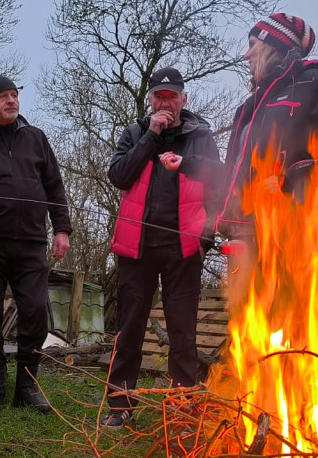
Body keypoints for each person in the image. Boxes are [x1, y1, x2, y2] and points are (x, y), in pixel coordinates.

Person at [103, 67, 223, 428]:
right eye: (159, 96)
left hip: (183, 250)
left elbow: (220, 180)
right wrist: (151, 137)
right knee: (129, 330)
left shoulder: (199, 136)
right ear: (150, 100)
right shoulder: (135, 133)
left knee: (183, 333)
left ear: (184, 100)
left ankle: (181, 405)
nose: (165, 101)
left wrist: (206, 238)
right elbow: (119, 175)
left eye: (172, 96)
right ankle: (120, 405)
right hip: (136, 250)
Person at [0, 75, 73, 413]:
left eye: (14, 95)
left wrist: (62, 230)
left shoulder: (36, 138)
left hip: (29, 243)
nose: (11, 101)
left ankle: (27, 385)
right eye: (2, 97)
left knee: (35, 313)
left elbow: (54, 185)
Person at [217, 12, 318, 248]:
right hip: (244, 236)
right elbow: (232, 173)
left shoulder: (313, 83)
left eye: (253, 45)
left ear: (273, 47)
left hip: (295, 232)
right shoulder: (247, 108)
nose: (246, 56)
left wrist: (292, 180)